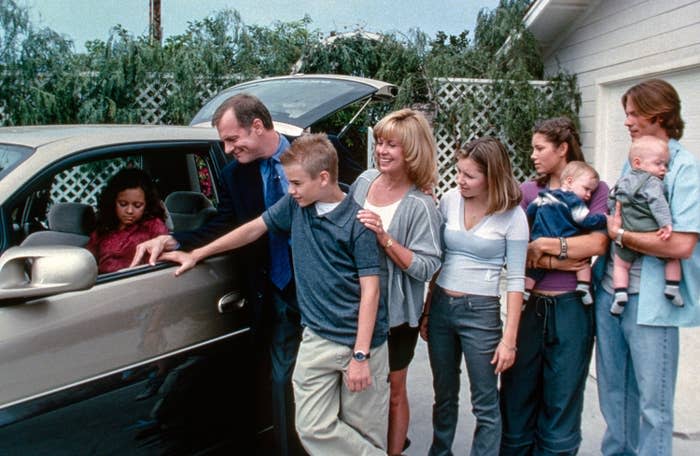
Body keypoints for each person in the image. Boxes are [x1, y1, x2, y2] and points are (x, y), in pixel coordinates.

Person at [159, 133, 390, 455]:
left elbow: (371, 292)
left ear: (323, 178)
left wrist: (361, 356)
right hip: (317, 339)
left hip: (361, 343)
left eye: (295, 183)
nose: (290, 190)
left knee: (363, 431)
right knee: (311, 426)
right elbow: (253, 228)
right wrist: (198, 252)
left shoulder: (360, 224)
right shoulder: (295, 207)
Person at [130, 94, 304, 455]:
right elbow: (224, 223)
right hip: (274, 292)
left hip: (324, 292)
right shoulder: (232, 176)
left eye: (231, 139)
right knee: (282, 383)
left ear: (257, 126)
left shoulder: (316, 152)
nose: (226, 150)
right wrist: (173, 238)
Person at [594, 79, 700, 456]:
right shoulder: (635, 156)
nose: (627, 121)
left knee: (653, 409)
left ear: (659, 115)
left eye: (634, 113)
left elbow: (683, 243)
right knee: (614, 397)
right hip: (611, 293)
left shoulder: (683, 168)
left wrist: (621, 235)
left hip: (650, 303)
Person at [499, 117, 610, 455]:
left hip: (571, 308)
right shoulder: (527, 192)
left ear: (562, 149)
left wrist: (546, 247)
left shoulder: (595, 189)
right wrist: (559, 257)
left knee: (563, 398)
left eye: (539, 148)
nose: (533, 155)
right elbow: (517, 252)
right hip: (530, 307)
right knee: (517, 394)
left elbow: (597, 245)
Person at [420, 137, 528, 455]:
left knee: (484, 402)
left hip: (480, 312)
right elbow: (439, 258)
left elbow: (517, 281)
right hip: (441, 306)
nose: (460, 180)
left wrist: (509, 340)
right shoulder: (451, 199)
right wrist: (428, 309)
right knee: (444, 395)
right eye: (459, 172)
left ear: (492, 176)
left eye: (470, 175)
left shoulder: (513, 216)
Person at [351, 108, 442, 456]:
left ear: (412, 151)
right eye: (379, 143)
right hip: (356, 306)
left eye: (392, 145)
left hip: (396, 315)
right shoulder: (363, 181)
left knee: (394, 393)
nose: (382, 151)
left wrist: (385, 237)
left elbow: (426, 265)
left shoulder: (421, 205)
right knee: (359, 391)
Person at [608, 135, 683, 315]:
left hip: (626, 232)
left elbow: (612, 198)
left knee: (620, 265)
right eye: (659, 164)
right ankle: (672, 287)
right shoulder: (652, 182)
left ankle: (620, 293)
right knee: (672, 258)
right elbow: (658, 204)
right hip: (649, 233)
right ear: (637, 163)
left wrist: (611, 215)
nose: (664, 169)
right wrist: (666, 223)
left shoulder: (623, 180)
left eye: (665, 164)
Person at [523, 160, 607, 303]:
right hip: (566, 238)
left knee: (533, 271)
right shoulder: (574, 201)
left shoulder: (544, 196)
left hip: (540, 237)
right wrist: (602, 219)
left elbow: (529, 212)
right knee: (583, 263)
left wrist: (532, 224)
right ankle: (584, 287)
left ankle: (526, 292)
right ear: (569, 181)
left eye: (591, 192)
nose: (588, 195)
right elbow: (585, 220)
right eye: (586, 189)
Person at [86, 167, 169, 274]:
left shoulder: (154, 226)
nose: (129, 211)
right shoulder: (104, 228)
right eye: (123, 204)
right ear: (113, 201)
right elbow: (86, 262)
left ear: (147, 204)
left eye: (137, 205)